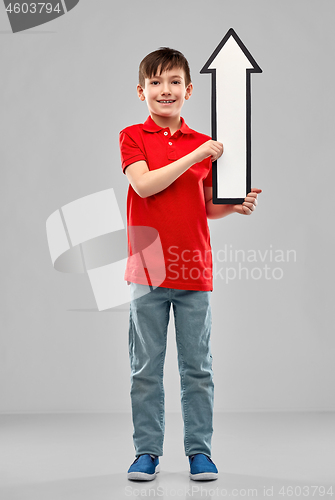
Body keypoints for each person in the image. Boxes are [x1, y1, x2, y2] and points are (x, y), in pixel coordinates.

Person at [119, 47, 262, 482]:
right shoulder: (133, 136)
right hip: (147, 270)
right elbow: (145, 186)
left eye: (175, 82)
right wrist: (195, 157)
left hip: (193, 268)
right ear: (142, 91)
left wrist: (231, 206)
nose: (166, 90)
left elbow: (201, 205)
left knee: (197, 367)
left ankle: (200, 452)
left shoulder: (202, 143)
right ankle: (147, 452)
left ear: (189, 89)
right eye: (157, 83)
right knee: (146, 368)